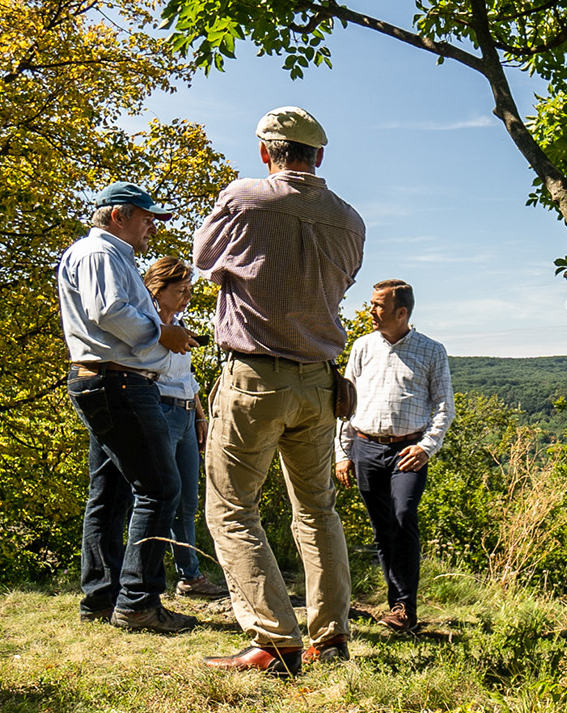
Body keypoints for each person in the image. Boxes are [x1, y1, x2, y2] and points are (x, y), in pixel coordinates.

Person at [193, 107, 366, 677]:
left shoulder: (246, 198)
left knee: (232, 508)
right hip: (320, 380)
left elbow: (202, 262)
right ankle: (332, 636)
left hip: (255, 376)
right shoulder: (350, 220)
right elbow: (340, 283)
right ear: (319, 157)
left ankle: (274, 640)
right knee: (317, 510)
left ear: (267, 151)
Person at [57, 182, 200, 635]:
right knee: (160, 488)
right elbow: (110, 310)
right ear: (119, 215)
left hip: (104, 379)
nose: (153, 227)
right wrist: (163, 334)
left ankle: (102, 597)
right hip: (116, 381)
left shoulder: (107, 254)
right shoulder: (103, 253)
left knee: (112, 493)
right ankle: (137, 602)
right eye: (147, 217)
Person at [334, 279, 453, 634]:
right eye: (371, 304)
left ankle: (405, 607)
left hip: (408, 450)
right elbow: (345, 405)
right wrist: (343, 452)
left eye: (377, 306)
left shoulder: (432, 351)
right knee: (383, 530)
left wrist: (426, 446)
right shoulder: (362, 347)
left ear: (401, 312)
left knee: (403, 516)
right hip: (365, 446)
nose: (370, 311)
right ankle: (395, 607)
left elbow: (445, 407)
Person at [140, 256, 228, 600]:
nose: (187, 296)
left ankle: (190, 576)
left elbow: (186, 378)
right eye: (181, 290)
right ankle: (146, 577)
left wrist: (201, 416)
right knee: (156, 496)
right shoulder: (145, 325)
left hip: (186, 413)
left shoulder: (179, 325)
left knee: (187, 500)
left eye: (190, 289)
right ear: (156, 290)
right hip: (158, 409)